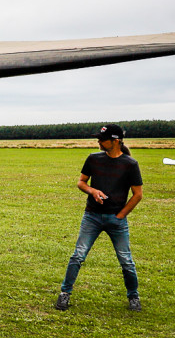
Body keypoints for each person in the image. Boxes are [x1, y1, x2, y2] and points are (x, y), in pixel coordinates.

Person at [55, 124, 144, 312]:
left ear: (116, 141)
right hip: (92, 217)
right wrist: (92, 190)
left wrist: (120, 215)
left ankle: (133, 297)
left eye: (102, 139)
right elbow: (81, 182)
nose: (99, 142)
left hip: (117, 220)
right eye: (98, 139)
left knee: (126, 261)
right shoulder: (93, 159)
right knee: (78, 256)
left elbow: (137, 194)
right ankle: (64, 294)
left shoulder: (130, 164)